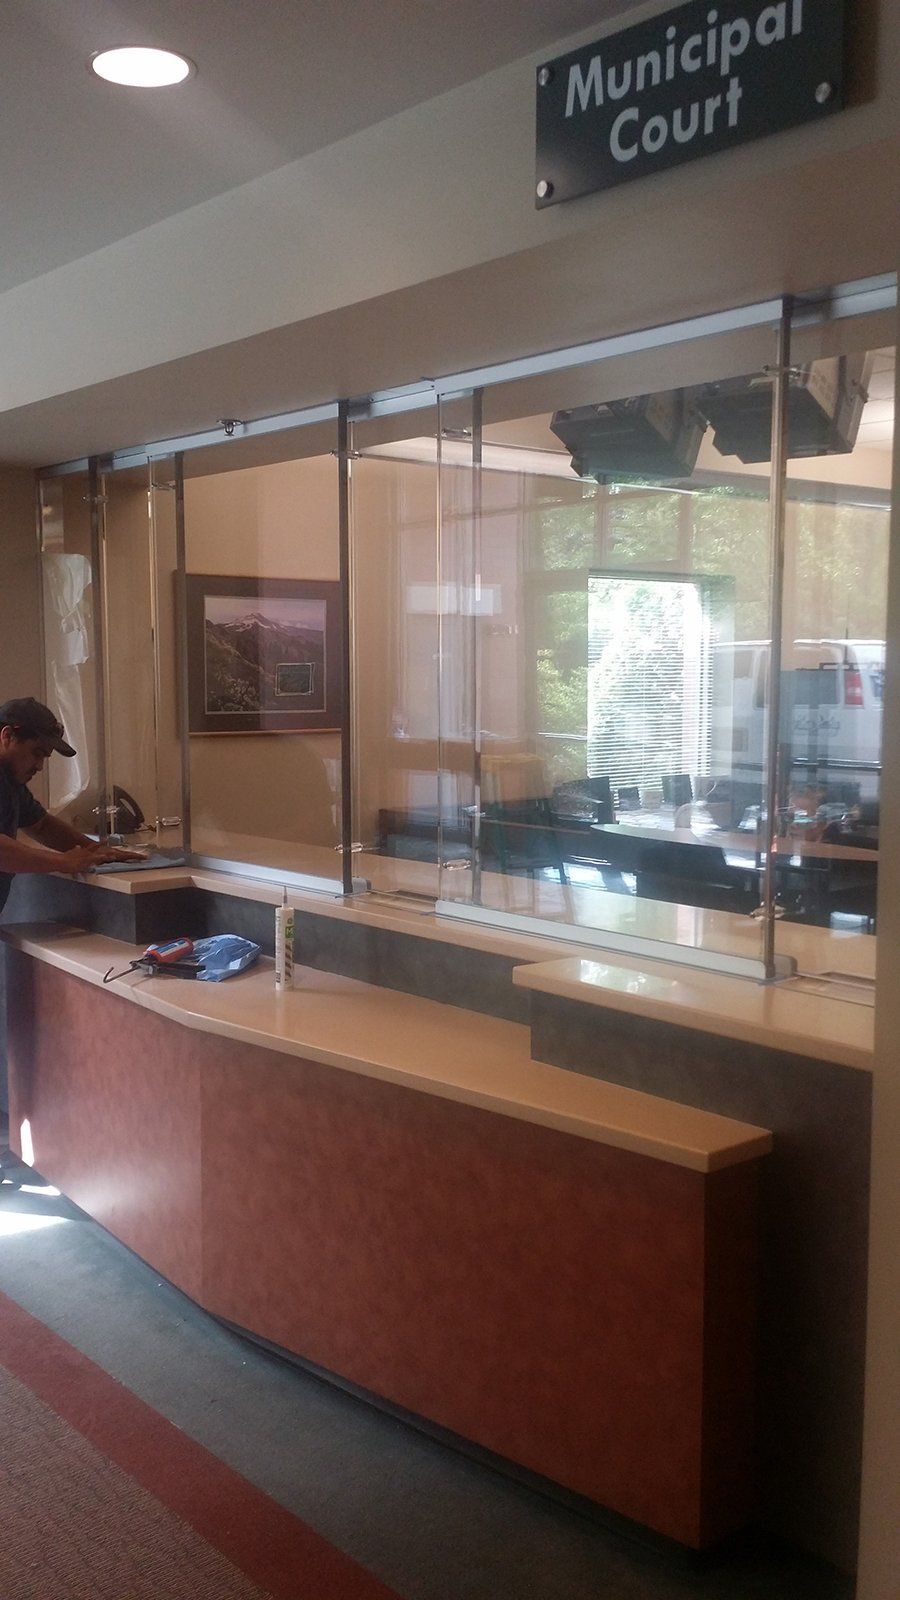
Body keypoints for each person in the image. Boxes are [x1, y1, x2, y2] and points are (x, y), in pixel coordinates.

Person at [0, 697, 144, 916]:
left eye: (44, 757)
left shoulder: (10, 781)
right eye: (36, 753)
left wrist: (93, 849)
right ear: (8, 736)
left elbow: (41, 825)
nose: (39, 766)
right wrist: (63, 861)